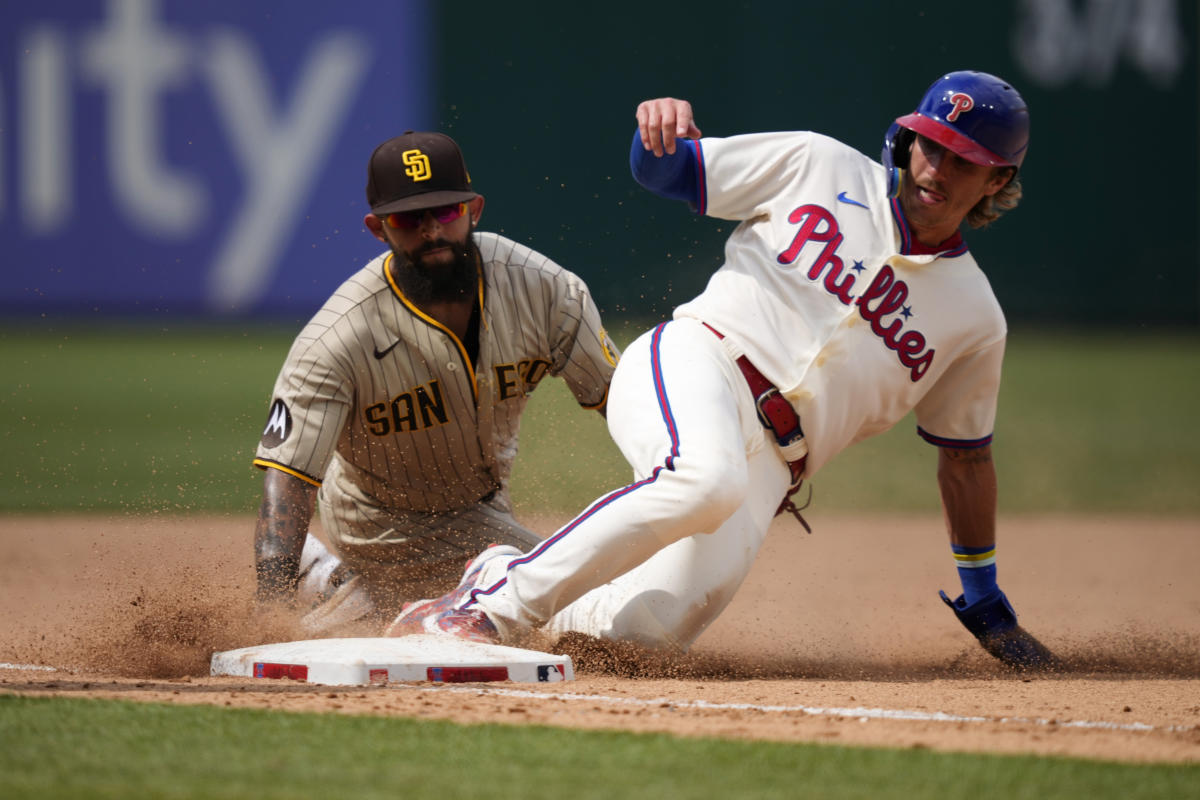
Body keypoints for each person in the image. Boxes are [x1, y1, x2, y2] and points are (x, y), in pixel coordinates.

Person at [387, 72, 1056, 669]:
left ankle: (506, 575)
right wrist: (660, 135)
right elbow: (671, 173)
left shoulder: (974, 318)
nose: (935, 167)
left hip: (776, 466)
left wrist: (985, 596)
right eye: (929, 144)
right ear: (905, 140)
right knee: (703, 479)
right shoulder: (819, 165)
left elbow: (965, 460)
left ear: (998, 181)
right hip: (699, 360)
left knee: (643, 636)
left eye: (963, 160)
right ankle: (482, 609)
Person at [252, 130, 620, 633]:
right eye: (408, 218)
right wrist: (268, 615)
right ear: (378, 228)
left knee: (555, 590)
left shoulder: (545, 291)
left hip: (482, 505)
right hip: (378, 520)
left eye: (445, 211)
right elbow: (289, 478)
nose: (430, 231)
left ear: (474, 210)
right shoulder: (339, 337)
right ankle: (357, 593)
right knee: (580, 609)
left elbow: (619, 401)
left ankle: (343, 590)